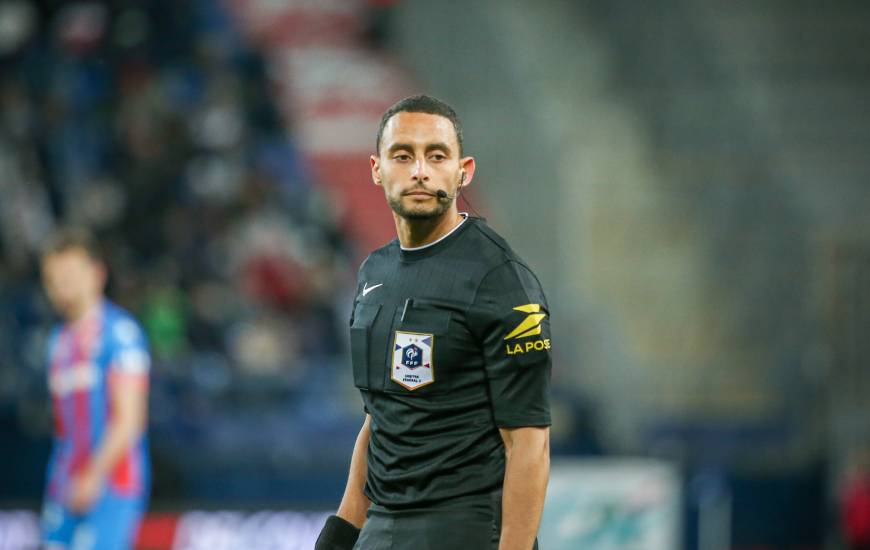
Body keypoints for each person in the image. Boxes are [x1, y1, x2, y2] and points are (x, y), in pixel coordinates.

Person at [316, 95, 551, 550]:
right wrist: (337, 541)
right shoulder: (373, 275)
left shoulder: (501, 281)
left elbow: (528, 444)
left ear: (463, 171)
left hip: (465, 530)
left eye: (436, 156)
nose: (420, 170)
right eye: (403, 155)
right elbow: (379, 421)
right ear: (376, 169)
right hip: (381, 531)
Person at [40, 228, 151, 550]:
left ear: (96, 273)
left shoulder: (121, 335)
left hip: (111, 483)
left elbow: (130, 420)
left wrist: (93, 474)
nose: (62, 286)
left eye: (70, 274)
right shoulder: (58, 342)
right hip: (63, 483)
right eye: (53, 278)